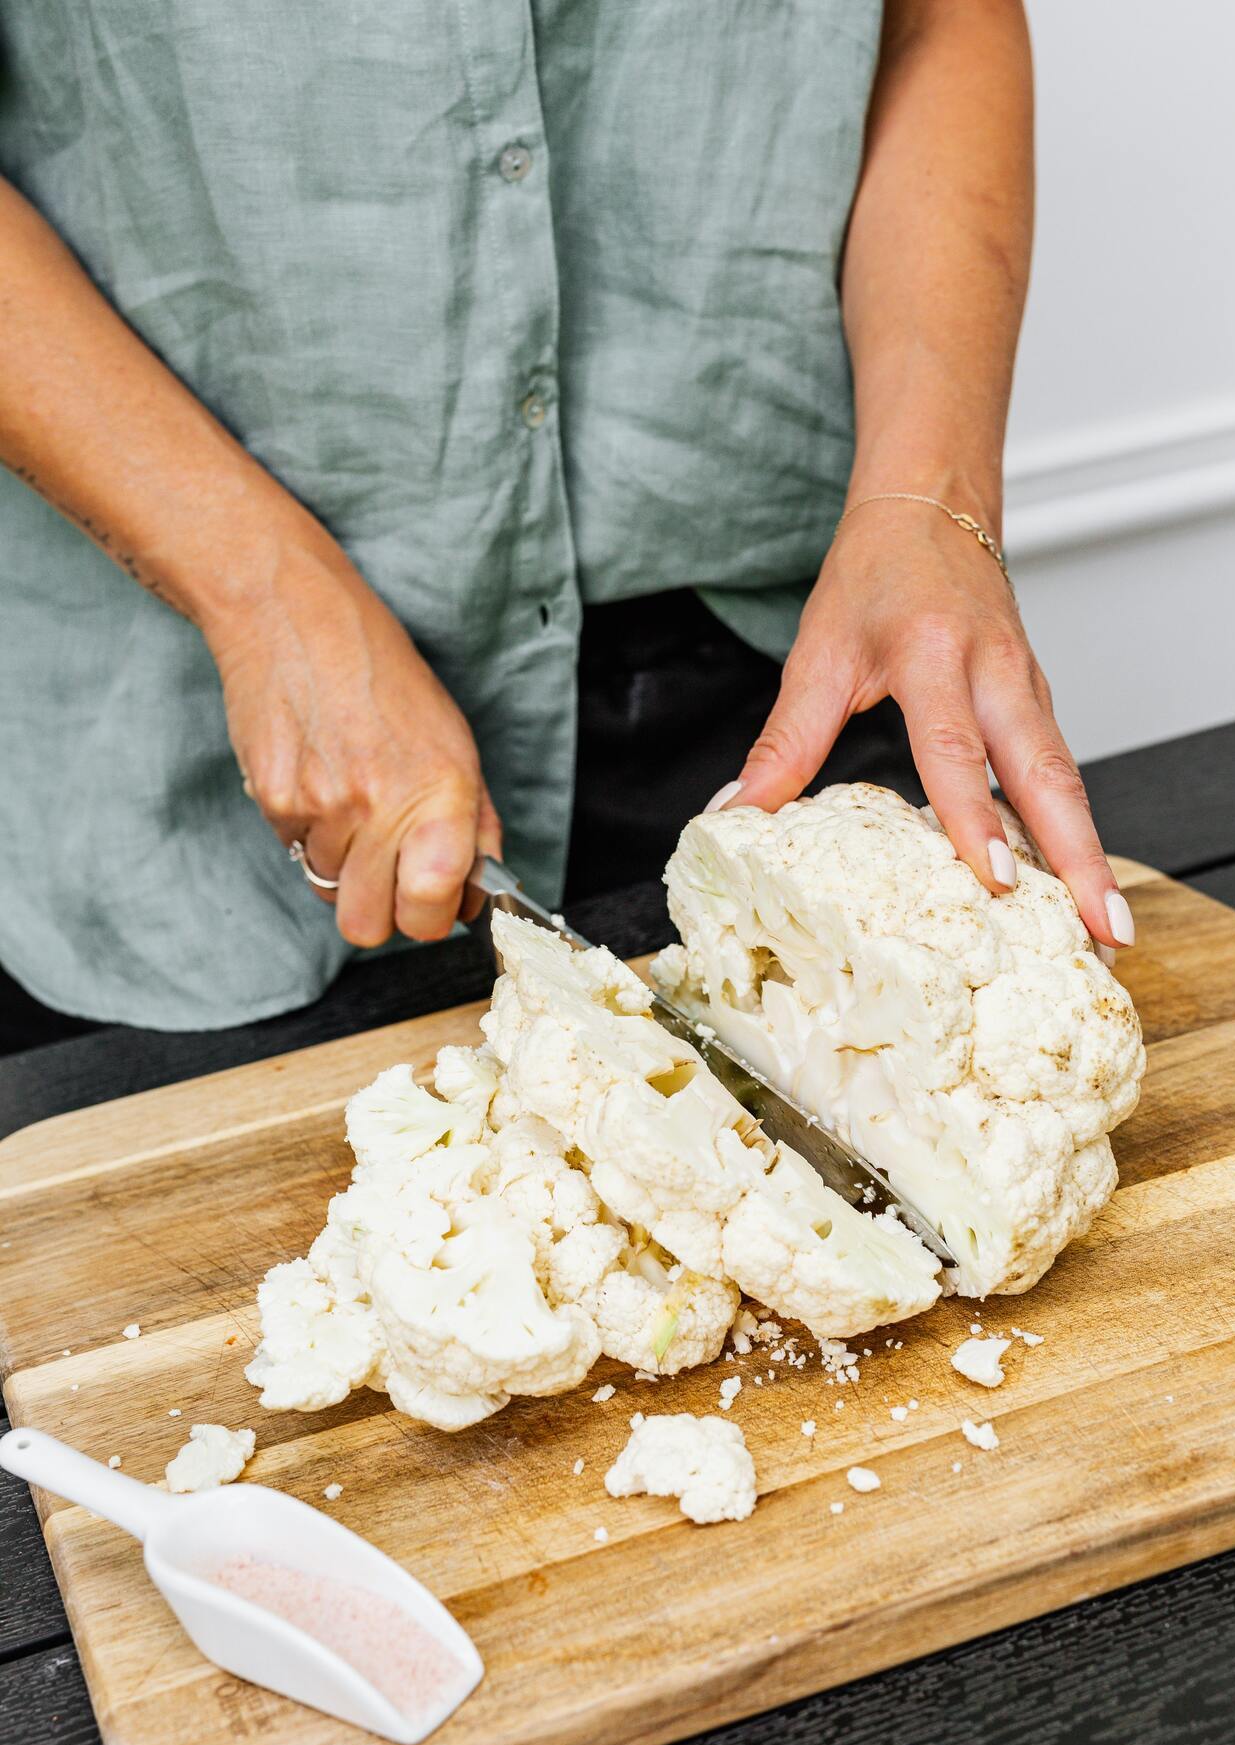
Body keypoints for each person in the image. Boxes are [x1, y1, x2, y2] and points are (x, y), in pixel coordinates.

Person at [0, 0, 1133, 1039]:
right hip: (192, 746)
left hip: (783, 686)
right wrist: (257, 589)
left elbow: (936, 17)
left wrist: (929, 499)